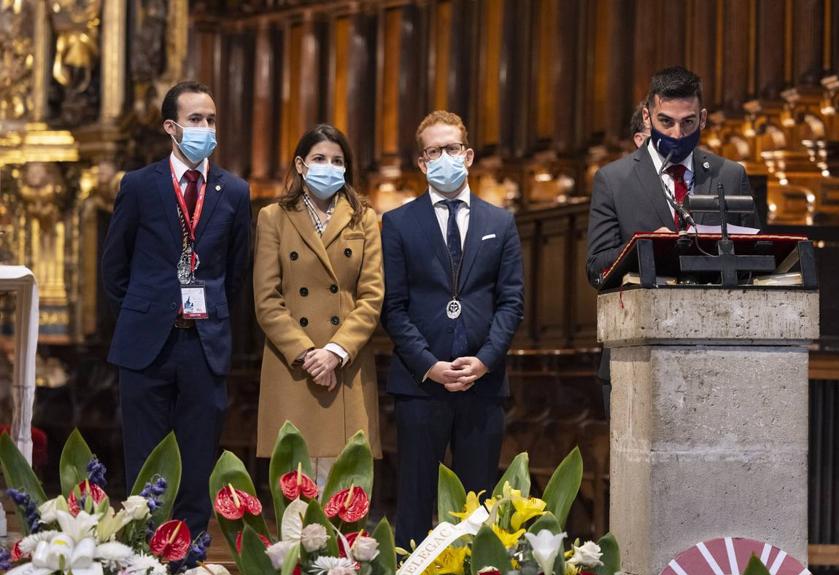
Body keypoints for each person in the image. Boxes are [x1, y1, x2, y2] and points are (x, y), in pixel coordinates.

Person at [101, 81, 252, 537]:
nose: (205, 128)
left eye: (210, 120)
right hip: (148, 343)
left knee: (197, 459)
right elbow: (114, 268)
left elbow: (236, 272)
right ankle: (142, 559)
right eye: (195, 120)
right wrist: (147, 309)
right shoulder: (139, 185)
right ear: (171, 127)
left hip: (204, 344)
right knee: (146, 461)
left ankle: (188, 561)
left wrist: (209, 316)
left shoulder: (234, 191)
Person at [381, 110, 524, 548]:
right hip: (421, 384)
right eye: (434, 151)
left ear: (468, 155)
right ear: (422, 163)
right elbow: (394, 307)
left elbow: (511, 302)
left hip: (482, 384)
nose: (445, 157)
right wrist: (430, 365)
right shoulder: (398, 223)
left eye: (452, 149)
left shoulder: (499, 223)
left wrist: (482, 362)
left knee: (476, 506)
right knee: (415, 502)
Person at [585, 66, 760, 414]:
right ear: (648, 117)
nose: (677, 133)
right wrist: (644, 245)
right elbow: (596, 269)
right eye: (666, 122)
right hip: (638, 356)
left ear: (704, 118)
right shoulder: (614, 180)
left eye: (688, 123)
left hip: (717, 356)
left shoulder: (731, 174)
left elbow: (756, 261)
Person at [253, 125, 383, 479]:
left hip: (345, 366)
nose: (330, 166)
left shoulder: (364, 218)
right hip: (294, 366)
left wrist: (334, 352)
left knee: (344, 490)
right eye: (320, 158)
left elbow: (372, 297)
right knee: (296, 493)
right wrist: (309, 354)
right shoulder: (273, 217)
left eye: (337, 160)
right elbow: (267, 300)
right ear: (300, 164)